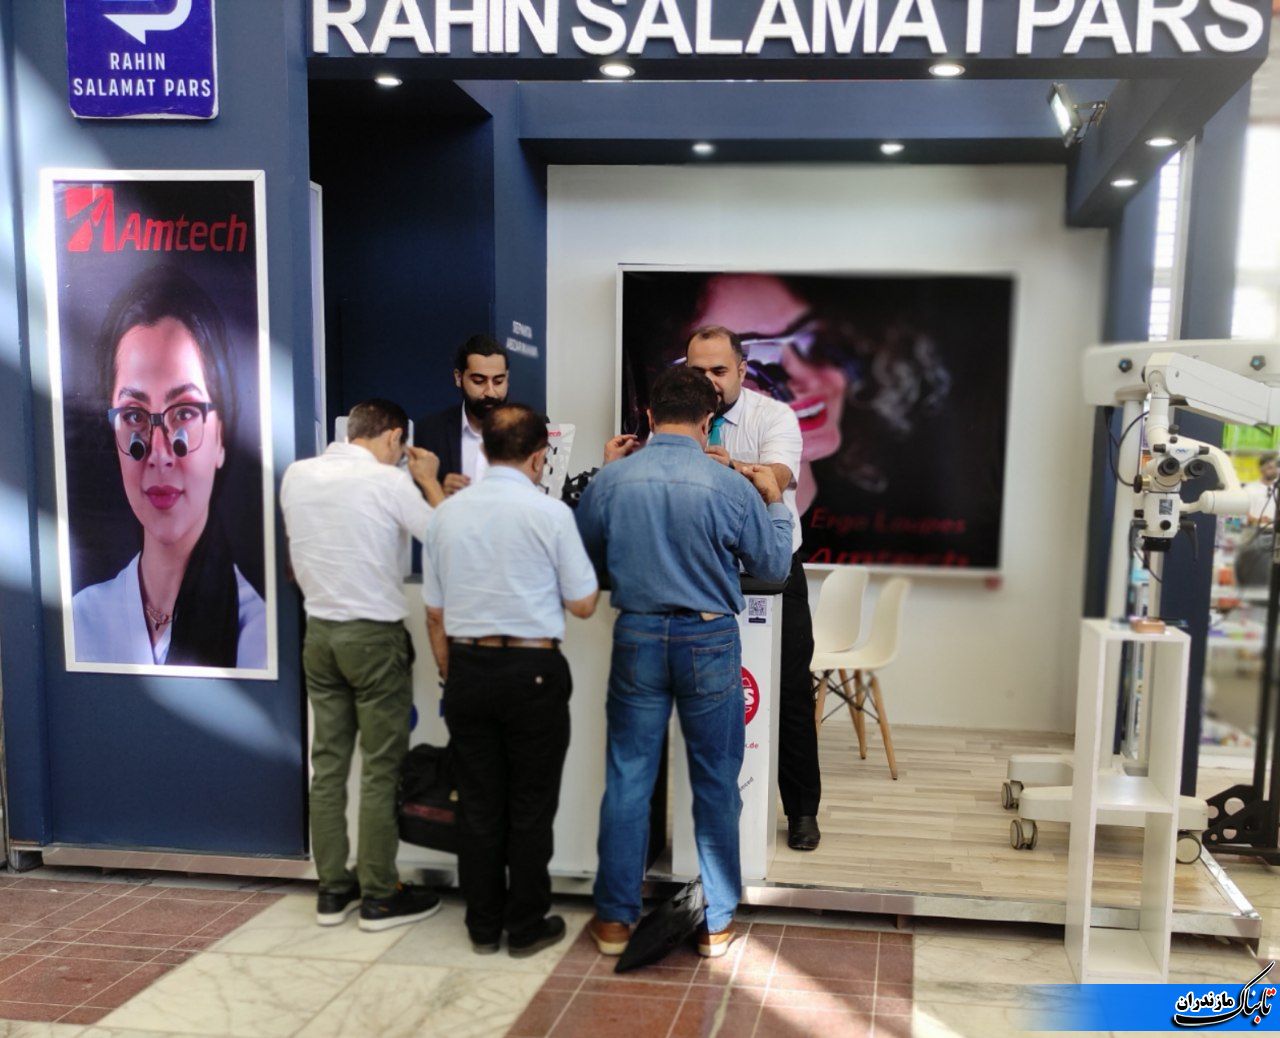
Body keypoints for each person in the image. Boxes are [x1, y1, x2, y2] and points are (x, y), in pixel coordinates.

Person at [577, 366, 793, 959]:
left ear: (648, 417)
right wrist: (775, 501)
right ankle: (716, 924)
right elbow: (773, 568)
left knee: (629, 779)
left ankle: (615, 922)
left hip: (637, 635)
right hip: (708, 640)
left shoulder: (612, 481)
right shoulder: (730, 487)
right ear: (707, 423)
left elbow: (585, 562)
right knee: (717, 783)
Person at [423, 403, 599, 958]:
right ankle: (524, 926)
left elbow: (434, 614)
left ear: (483, 449)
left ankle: (482, 926)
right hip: (533, 674)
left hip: (468, 670)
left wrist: (452, 673)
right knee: (530, 805)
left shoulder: (446, 515)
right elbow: (584, 604)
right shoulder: (551, 515)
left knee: (477, 804)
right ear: (540, 457)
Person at [280, 398, 446, 932]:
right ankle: (379, 894)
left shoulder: (298, 475)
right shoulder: (388, 481)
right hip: (374, 637)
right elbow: (444, 537)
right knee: (381, 767)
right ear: (394, 437)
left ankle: (332, 889)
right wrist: (428, 481)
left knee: (327, 765)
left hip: (320, 633)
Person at [71, 265, 267, 670]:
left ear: (221, 436)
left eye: (185, 412)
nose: (159, 453)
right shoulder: (82, 622)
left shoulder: (257, 637)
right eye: (134, 415)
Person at [684, 324, 824, 852]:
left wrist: (730, 470)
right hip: (705, 572)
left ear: (742, 370)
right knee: (705, 694)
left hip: (775, 571)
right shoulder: (675, 420)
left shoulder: (774, 415)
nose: (708, 381)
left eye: (719, 371)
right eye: (697, 371)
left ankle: (802, 812)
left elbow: (779, 478)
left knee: (789, 692)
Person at [415, 334, 510, 496]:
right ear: (459, 378)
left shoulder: (528, 432)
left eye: (498, 381)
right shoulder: (429, 432)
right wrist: (438, 491)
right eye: (479, 381)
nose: (490, 392)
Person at [1244, 454, 1278, 526]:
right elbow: (1242, 514)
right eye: (1270, 468)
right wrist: (1257, 520)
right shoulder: (1249, 489)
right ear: (1261, 469)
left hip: (1275, 531)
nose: (1274, 470)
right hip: (1255, 530)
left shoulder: (1278, 488)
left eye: (1275, 467)